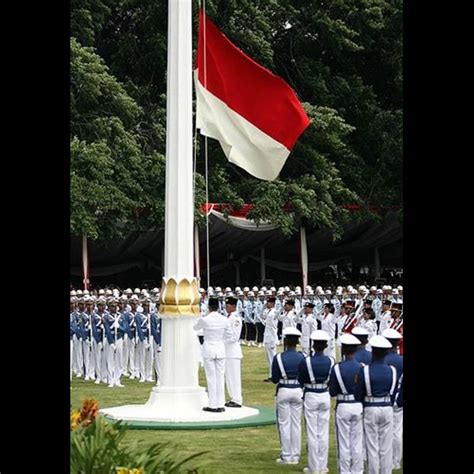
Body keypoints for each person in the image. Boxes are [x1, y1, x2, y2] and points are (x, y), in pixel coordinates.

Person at [355, 335, 398, 474]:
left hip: (371, 407)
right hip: (387, 407)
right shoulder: (392, 370)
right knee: (386, 446)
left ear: (373, 351)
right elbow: (393, 390)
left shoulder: (365, 370)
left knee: (372, 445)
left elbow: (358, 393)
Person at [298, 330, 335, 474]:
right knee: (323, 432)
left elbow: (301, 379)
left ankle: (314, 467)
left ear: (313, 345)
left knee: (312, 432)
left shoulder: (306, 361)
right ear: (326, 345)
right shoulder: (331, 361)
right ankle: (322, 465)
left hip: (311, 394)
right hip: (324, 394)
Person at [329, 333, 364, 474]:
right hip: (358, 405)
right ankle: (357, 471)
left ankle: (345, 471)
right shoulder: (362, 366)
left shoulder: (337, 368)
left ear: (343, 350)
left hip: (343, 404)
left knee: (343, 442)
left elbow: (332, 392)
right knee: (357, 442)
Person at [272, 327, 305, 465]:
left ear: (285, 341)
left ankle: (286, 455)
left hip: (284, 389)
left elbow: (274, 378)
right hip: (298, 389)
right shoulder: (302, 357)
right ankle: (295, 455)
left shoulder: (279, 357)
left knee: (284, 424)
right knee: (296, 423)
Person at [193, 297, 230, 412]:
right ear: (218, 307)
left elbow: (195, 328)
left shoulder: (205, 319)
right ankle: (220, 404)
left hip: (209, 348)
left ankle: (213, 404)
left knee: (211, 377)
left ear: (208, 307)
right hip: (220, 347)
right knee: (220, 376)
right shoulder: (224, 319)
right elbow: (229, 334)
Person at [382, 328, 404, 470]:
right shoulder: (401, 360)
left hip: (383, 398)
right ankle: (396, 460)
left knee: (383, 432)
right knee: (397, 431)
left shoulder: (381, 359)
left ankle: (385, 459)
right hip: (399, 398)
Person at [224, 296, 243, 408]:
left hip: (233, 351)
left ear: (233, 306)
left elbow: (235, 337)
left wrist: (221, 341)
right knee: (229, 377)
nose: (226, 308)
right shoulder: (229, 317)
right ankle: (233, 398)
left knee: (234, 377)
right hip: (228, 351)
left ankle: (237, 399)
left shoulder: (235, 318)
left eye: (228, 306)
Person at [262, 296, 279, 382]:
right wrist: (263, 307)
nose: (267, 304)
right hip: (267, 337)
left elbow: (273, 326)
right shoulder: (267, 311)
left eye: (268, 302)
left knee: (272, 357)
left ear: (272, 304)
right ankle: (270, 375)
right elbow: (262, 316)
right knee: (268, 358)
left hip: (271, 337)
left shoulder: (274, 312)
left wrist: (274, 339)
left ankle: (274, 376)